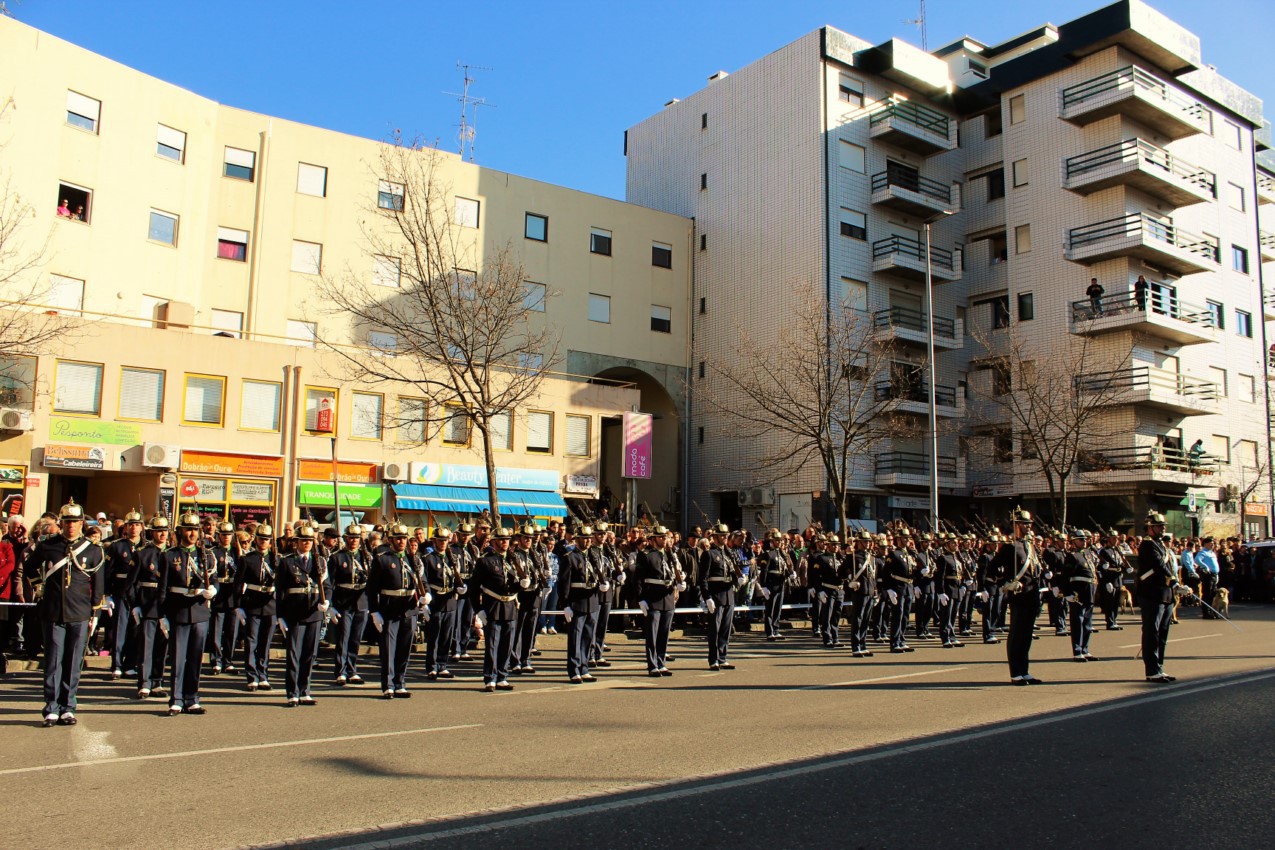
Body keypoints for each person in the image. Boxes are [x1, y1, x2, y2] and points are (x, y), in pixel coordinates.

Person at [24, 500, 106, 726]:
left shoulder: (93, 549)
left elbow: (98, 586)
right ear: (61, 523)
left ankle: (68, 706)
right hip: (53, 611)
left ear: (82, 523)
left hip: (79, 612)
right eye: (67, 522)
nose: (71, 526)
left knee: (72, 663)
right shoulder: (48, 546)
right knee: (53, 662)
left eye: (75, 522)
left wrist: (94, 613)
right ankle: (51, 707)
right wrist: (38, 586)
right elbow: (30, 567)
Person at [159, 511, 218, 715]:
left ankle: (192, 697)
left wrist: (213, 590)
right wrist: (161, 616)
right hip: (178, 612)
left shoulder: (206, 555)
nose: (192, 533)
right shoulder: (169, 555)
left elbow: (214, 578)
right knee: (177, 658)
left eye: (195, 529)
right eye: (188, 529)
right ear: (181, 531)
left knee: (195, 658)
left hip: (200, 612)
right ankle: (175, 699)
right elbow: (162, 588)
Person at [275, 525, 328, 706]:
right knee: (294, 654)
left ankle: (305, 690)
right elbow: (280, 590)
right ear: (296, 542)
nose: (306, 543)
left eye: (309, 540)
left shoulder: (320, 561)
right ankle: (292, 692)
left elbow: (326, 585)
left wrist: (326, 601)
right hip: (294, 613)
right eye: (303, 540)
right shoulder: (287, 561)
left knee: (309, 654)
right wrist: (280, 615)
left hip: (313, 613)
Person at [992, 508, 1045, 685]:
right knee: (1016, 634)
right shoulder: (1009, 547)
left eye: (1029, 524)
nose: (1028, 527)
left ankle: (1025, 669)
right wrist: (1005, 584)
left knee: (1027, 635)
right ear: (1016, 525)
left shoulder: (1030, 546)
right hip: (1019, 596)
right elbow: (991, 569)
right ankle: (1015, 672)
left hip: (1031, 596)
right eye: (1025, 524)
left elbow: (1036, 572)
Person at [367, 524, 420, 699]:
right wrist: (374, 611)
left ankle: (400, 683)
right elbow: (372, 588)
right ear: (390, 540)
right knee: (389, 650)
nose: (402, 541)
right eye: (398, 538)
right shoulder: (382, 559)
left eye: (404, 538)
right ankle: (388, 685)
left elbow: (421, 581)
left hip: (409, 609)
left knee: (404, 649)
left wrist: (425, 600)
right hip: (389, 609)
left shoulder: (413, 559)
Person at [1137, 512, 1189, 682]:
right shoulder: (1147, 545)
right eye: (1160, 526)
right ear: (1150, 528)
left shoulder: (1161, 545)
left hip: (1165, 594)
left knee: (1162, 634)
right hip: (1152, 593)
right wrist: (1174, 583)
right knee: (1152, 632)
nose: (1163, 529)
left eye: (1163, 526)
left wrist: (1176, 585)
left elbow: (1170, 567)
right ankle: (1151, 671)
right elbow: (1159, 567)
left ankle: (1159, 667)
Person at [473, 526, 523, 692]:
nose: (505, 543)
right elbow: (474, 588)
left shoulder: (512, 559)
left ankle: (502, 676)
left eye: (507, 540)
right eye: (501, 540)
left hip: (510, 606)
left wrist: (522, 585)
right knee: (492, 645)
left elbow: (514, 583)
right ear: (494, 542)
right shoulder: (485, 561)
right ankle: (490, 678)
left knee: (507, 645)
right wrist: (478, 610)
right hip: (493, 606)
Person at [128, 515, 171, 700]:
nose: (162, 534)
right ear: (152, 532)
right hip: (148, 604)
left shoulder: (172, 553)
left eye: (165, 530)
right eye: (158, 531)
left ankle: (157, 681)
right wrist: (135, 605)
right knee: (146, 646)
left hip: (167, 607)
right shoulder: (142, 554)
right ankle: (144, 683)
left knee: (162, 647)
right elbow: (131, 583)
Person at [235, 523, 278, 692]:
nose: (263, 542)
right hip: (252, 604)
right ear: (256, 539)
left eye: (266, 539)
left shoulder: (276, 559)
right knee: (251, 642)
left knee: (265, 643)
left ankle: (263, 675)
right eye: (261, 539)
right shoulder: (247, 559)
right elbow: (238, 584)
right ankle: (252, 676)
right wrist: (238, 606)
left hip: (270, 605)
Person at [634, 526, 680, 676]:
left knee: (664, 634)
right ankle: (652, 665)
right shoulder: (645, 555)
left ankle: (661, 662)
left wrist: (678, 585)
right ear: (653, 539)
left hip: (667, 598)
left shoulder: (669, 554)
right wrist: (641, 599)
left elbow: (673, 573)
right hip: (652, 597)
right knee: (652, 634)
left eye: (665, 537)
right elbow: (638, 579)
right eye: (660, 537)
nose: (664, 539)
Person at [327, 523, 369, 685]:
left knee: (356, 639)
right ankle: (340, 671)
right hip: (343, 602)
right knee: (343, 638)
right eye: (351, 538)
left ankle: (352, 669)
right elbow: (330, 582)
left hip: (361, 602)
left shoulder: (366, 557)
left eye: (356, 538)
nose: (354, 541)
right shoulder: (337, 557)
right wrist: (330, 605)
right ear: (345, 539)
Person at [558, 526, 600, 684]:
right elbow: (564, 584)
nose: (588, 541)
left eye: (590, 538)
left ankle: (584, 667)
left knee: (588, 637)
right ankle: (574, 670)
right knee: (575, 638)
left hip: (592, 601)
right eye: (584, 538)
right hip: (577, 602)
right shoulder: (570, 557)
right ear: (577, 539)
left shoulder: (594, 556)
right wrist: (565, 604)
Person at [698, 522, 740, 670]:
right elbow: (702, 579)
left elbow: (732, 572)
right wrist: (707, 597)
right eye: (722, 535)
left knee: (726, 629)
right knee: (714, 630)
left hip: (729, 594)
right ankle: (713, 659)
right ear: (715, 537)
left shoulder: (728, 554)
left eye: (726, 535)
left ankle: (722, 657)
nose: (724, 538)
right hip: (716, 595)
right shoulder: (709, 554)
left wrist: (738, 580)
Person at [421, 526, 459, 681]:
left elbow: (457, 577)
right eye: (440, 540)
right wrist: (427, 595)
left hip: (449, 600)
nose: (443, 543)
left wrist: (460, 587)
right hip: (436, 600)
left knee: (446, 636)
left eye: (445, 540)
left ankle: (442, 664)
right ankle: (432, 666)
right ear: (434, 541)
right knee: (434, 636)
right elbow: (424, 580)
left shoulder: (452, 558)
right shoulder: (428, 559)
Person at [1060, 529, 1099, 662]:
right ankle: (1077, 651)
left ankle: (1085, 649)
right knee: (1078, 622)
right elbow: (1066, 576)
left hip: (1089, 592)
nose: (1084, 541)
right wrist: (1067, 593)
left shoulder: (1087, 554)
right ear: (1073, 541)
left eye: (1084, 539)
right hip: (1078, 594)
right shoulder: (1072, 556)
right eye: (1081, 539)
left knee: (1087, 623)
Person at [207, 522, 240, 675]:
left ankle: (228, 660)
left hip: (232, 593)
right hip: (219, 592)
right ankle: (216, 660)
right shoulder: (213, 552)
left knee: (231, 630)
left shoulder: (236, 552)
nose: (226, 537)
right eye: (223, 534)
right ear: (219, 535)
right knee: (216, 630)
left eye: (229, 535)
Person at [1096, 532, 1129, 630]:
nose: (1116, 540)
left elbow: (1119, 563)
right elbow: (1102, 567)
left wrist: (1125, 568)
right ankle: (1110, 622)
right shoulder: (1104, 551)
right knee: (1109, 602)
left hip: (1117, 578)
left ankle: (1114, 620)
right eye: (1114, 538)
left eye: (1117, 538)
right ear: (1109, 539)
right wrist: (1106, 581)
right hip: (1109, 579)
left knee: (1116, 602)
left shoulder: (1117, 550)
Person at [1195, 538, 1220, 619]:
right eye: (1210, 543)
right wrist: (1205, 566)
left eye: (1213, 543)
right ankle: (1206, 613)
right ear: (1205, 544)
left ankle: (1212, 611)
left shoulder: (1212, 552)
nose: (1212, 544)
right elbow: (1197, 560)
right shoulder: (1203, 552)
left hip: (1214, 575)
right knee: (1207, 594)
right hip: (1208, 575)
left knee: (1213, 594)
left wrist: (1217, 575)